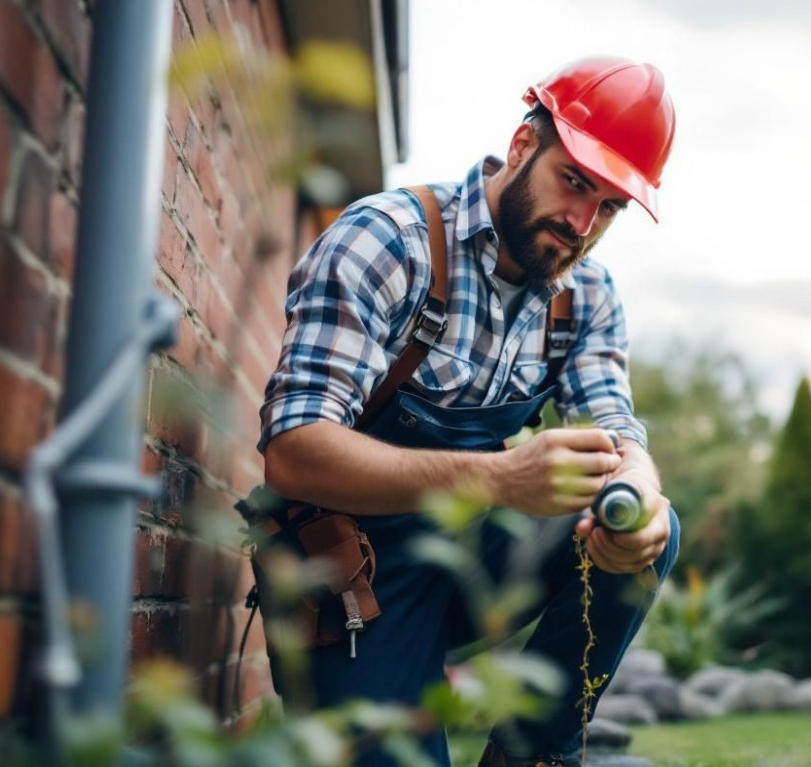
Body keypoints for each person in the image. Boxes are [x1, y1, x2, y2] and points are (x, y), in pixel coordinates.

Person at [256, 56, 680, 767]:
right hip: (349, 576)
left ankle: (533, 757)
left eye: (609, 206)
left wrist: (639, 489)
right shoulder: (390, 239)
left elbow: (618, 429)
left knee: (647, 529)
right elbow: (293, 451)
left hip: (467, 558)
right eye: (575, 181)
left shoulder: (588, 296)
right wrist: (499, 479)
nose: (581, 223)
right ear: (522, 146)